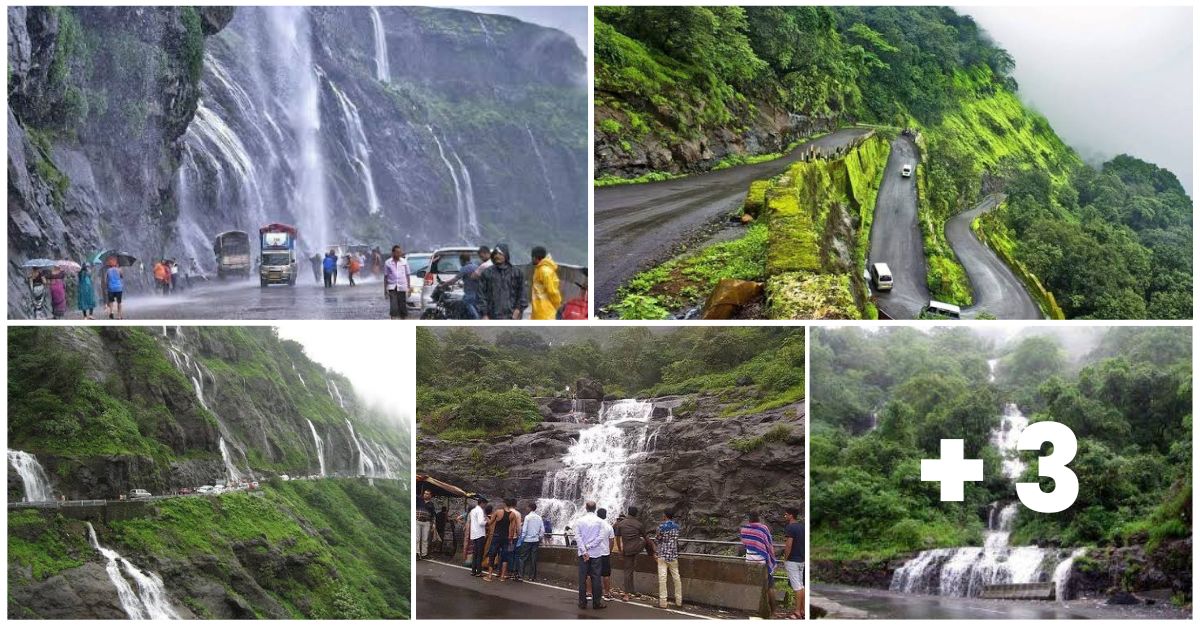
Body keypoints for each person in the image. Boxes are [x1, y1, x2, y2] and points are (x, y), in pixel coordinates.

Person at [740, 511, 778, 617]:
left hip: (749, 560)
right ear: (758, 518)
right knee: (770, 586)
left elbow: (745, 543)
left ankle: (749, 608)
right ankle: (773, 611)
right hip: (762, 562)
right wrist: (772, 559)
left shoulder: (744, 529)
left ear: (749, 519)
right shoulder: (763, 528)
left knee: (751, 584)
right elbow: (769, 545)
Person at [477, 243, 526, 320]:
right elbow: (481, 295)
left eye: (500, 253)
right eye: (495, 253)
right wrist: (484, 314)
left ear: (506, 254)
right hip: (492, 316)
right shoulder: (487, 273)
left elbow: (522, 293)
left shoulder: (517, 273)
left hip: (512, 316)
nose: (497, 256)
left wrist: (518, 309)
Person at [614, 505, 651, 601]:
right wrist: (653, 549)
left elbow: (617, 537)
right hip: (637, 548)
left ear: (628, 512)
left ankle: (628, 592)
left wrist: (620, 550)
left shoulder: (621, 524)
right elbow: (646, 537)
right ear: (636, 514)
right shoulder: (639, 524)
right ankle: (629, 592)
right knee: (645, 540)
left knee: (628, 571)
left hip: (627, 550)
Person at [575, 500, 607, 610]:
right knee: (596, 578)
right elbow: (600, 538)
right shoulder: (600, 521)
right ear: (595, 508)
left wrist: (584, 550)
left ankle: (582, 603)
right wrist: (589, 547)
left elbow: (577, 537)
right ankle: (596, 603)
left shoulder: (579, 521)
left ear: (586, 508)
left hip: (583, 555)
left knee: (582, 578)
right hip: (596, 554)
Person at [438, 253, 482, 319]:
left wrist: (443, 285)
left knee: (466, 302)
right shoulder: (476, 266)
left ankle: (477, 319)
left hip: (470, 294)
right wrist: (462, 285)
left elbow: (453, 281)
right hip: (478, 293)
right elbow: (472, 280)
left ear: (462, 260)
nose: (460, 262)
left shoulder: (464, 268)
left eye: (460, 261)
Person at [485, 499, 519, 582]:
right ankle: (502, 577)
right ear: (511, 505)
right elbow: (512, 528)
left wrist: (486, 519)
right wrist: (510, 539)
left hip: (496, 536)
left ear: (504, 504)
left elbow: (490, 523)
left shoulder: (498, 512)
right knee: (505, 556)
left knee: (492, 554)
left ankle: (489, 576)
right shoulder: (513, 514)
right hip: (506, 538)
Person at [655, 509, 682, 609]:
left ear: (665, 516)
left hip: (663, 555)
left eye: (663, 514)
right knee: (676, 577)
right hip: (673, 555)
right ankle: (679, 601)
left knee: (662, 578)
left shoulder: (661, 527)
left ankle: (663, 603)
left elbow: (657, 540)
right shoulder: (677, 527)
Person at [783, 506, 806, 619]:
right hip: (802, 560)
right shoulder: (803, 527)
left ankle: (797, 612)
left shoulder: (790, 527)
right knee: (801, 585)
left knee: (797, 587)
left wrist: (785, 559)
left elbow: (788, 545)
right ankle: (802, 610)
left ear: (791, 516)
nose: (785, 516)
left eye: (786, 514)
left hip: (792, 560)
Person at [530, 245, 562, 320]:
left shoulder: (545, 271)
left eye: (532, 257)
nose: (531, 259)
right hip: (539, 310)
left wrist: (557, 306)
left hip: (545, 312)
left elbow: (552, 291)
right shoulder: (539, 269)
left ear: (536, 257)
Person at [383, 245, 410, 319]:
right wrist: (385, 290)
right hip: (392, 287)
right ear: (393, 253)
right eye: (397, 252)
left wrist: (409, 287)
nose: (399, 254)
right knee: (393, 306)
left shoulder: (404, 262)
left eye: (400, 252)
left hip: (402, 286)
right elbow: (385, 276)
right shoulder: (387, 263)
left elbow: (407, 275)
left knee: (402, 307)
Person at [519, 501, 543, 581]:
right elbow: (542, 530)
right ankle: (532, 577)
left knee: (523, 558)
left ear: (530, 508)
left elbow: (524, 530)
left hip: (527, 540)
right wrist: (539, 538)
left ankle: (520, 576)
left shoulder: (527, 517)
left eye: (527, 507)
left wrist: (522, 539)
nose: (526, 508)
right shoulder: (539, 518)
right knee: (533, 558)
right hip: (535, 540)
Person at [597, 507, 616, 600]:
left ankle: (591, 593)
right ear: (605, 515)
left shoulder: (592, 525)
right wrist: (609, 551)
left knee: (591, 574)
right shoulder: (609, 526)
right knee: (606, 574)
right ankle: (607, 594)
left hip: (593, 553)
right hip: (605, 553)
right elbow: (612, 540)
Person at [468, 497, 488, 576]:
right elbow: (481, 523)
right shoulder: (480, 511)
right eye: (485, 504)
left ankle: (473, 570)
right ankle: (479, 571)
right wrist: (486, 520)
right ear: (482, 503)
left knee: (475, 553)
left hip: (474, 533)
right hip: (480, 534)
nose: (485, 505)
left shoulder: (472, 510)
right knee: (480, 553)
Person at [416, 489, 435, 560]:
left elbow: (433, 515)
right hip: (417, 521)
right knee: (417, 538)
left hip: (426, 522)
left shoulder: (431, 504)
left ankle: (424, 554)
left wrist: (433, 524)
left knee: (425, 539)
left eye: (427, 494)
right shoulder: (418, 500)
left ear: (430, 496)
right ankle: (417, 553)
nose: (425, 495)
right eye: (425, 493)